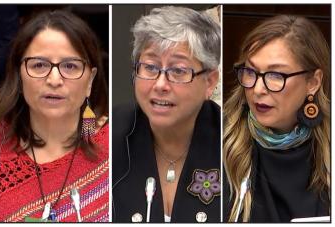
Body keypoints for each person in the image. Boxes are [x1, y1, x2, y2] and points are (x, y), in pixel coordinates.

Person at [0, 10, 109, 222]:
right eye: (39, 65)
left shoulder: (117, 146)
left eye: (70, 66)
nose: (54, 80)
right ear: (19, 75)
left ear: (90, 81)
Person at [112, 6, 221, 223]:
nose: (160, 84)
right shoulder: (110, 135)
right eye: (150, 67)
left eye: (178, 70)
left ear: (210, 82)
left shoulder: (233, 143)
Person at [223, 15, 330, 222]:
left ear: (313, 82)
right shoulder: (220, 142)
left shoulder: (328, 147)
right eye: (251, 72)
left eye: (276, 75)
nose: (258, 89)